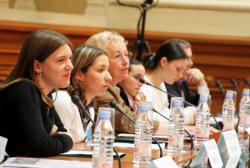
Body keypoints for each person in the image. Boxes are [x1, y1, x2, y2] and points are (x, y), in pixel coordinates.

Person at [0, 30, 73, 156]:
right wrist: (68, 140)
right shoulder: (24, 89)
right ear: (37, 66)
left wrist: (61, 138)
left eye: (70, 59)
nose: (70, 66)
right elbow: (40, 146)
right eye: (61, 60)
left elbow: (62, 130)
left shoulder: (46, 94)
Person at [85, 31, 161, 134]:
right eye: (117, 56)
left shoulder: (115, 90)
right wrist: (175, 129)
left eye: (126, 55)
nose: (126, 61)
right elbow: (128, 123)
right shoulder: (101, 93)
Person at [53, 45, 111, 143]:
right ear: (80, 75)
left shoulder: (90, 109)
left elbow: (86, 141)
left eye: (108, 70)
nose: (109, 77)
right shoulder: (63, 100)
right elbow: (57, 145)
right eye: (101, 70)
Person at [141, 40, 196, 124]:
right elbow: (150, 119)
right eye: (178, 69)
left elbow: (164, 112)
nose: (180, 75)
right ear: (164, 62)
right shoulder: (143, 86)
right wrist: (187, 116)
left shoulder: (161, 84)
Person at [164, 39, 210, 106]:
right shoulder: (164, 83)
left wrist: (201, 83)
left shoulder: (181, 82)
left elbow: (202, 108)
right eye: (186, 58)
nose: (191, 63)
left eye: (191, 58)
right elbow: (188, 110)